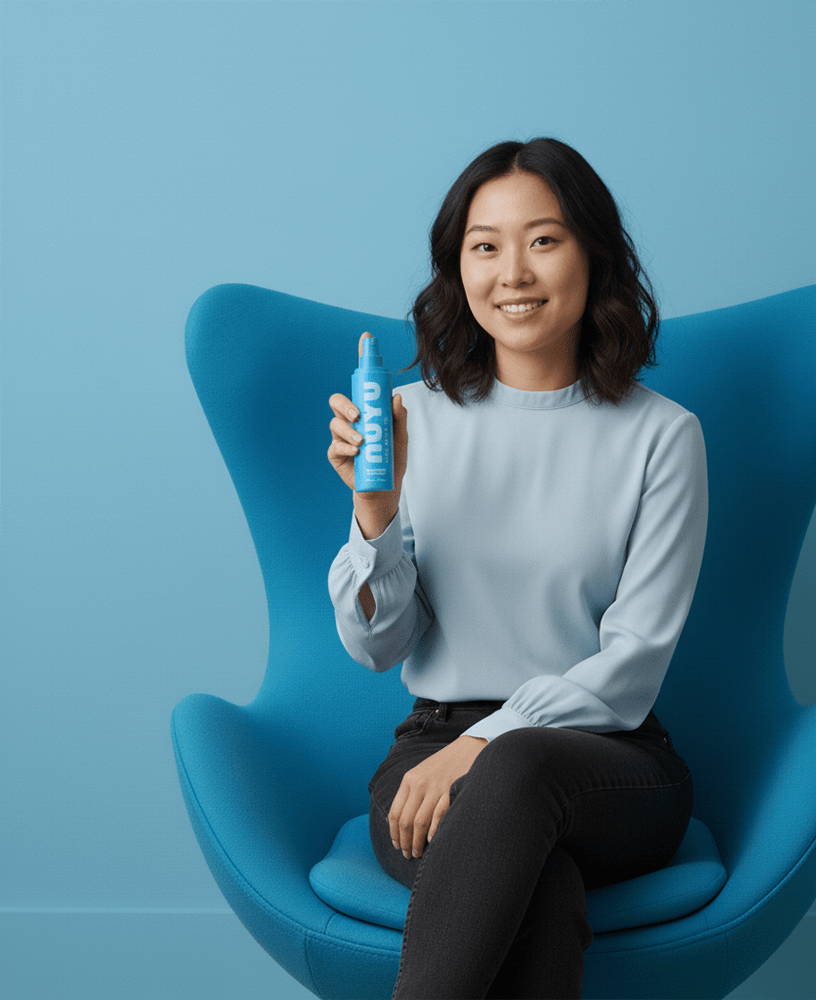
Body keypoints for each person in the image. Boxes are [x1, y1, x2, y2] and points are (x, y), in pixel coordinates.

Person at [326, 137, 708, 1000]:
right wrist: (374, 519)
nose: (514, 272)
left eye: (544, 240)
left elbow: (632, 663)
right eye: (485, 246)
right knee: (542, 895)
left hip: (606, 762)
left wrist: (484, 745)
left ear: (593, 254)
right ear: (457, 268)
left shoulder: (664, 437)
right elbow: (376, 649)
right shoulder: (409, 419)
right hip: (430, 750)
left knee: (519, 767)